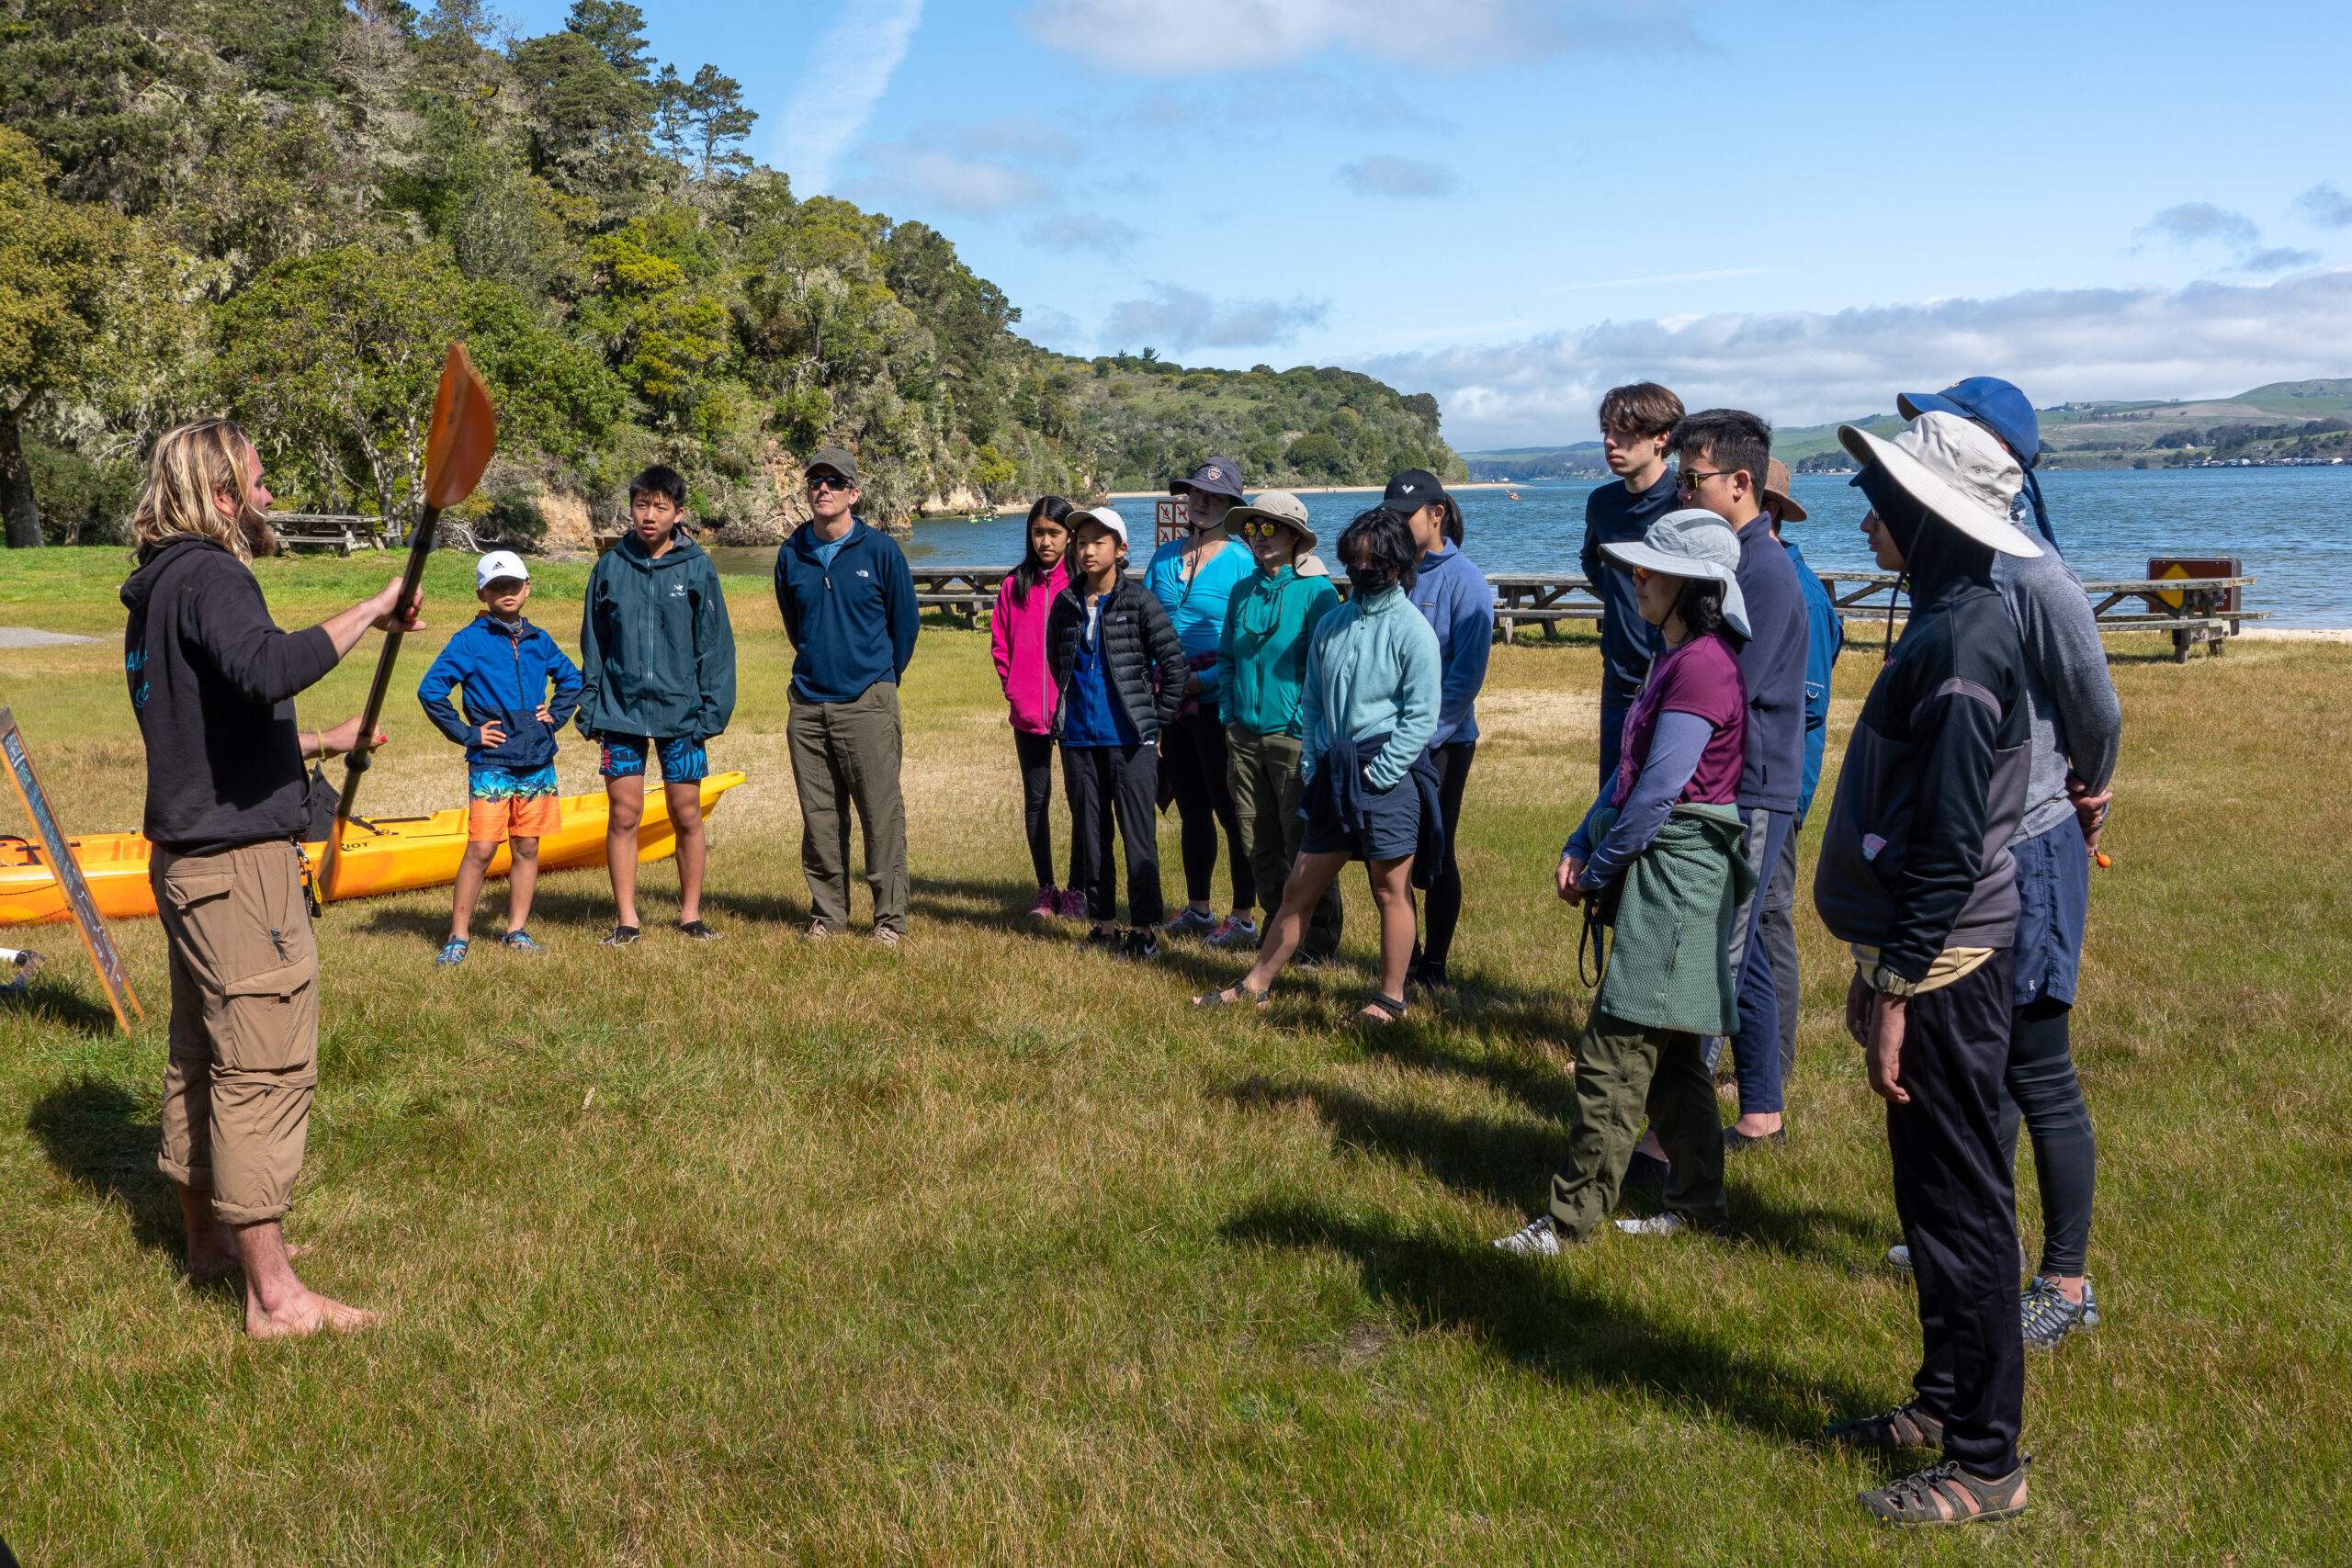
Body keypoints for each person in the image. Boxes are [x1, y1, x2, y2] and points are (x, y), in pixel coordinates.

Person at [120, 416, 414, 1337]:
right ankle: (274, 1296)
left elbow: (207, 723)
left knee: (201, 1053)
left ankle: (210, 1242)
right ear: (219, 493)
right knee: (261, 1062)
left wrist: (319, 742)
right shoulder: (213, 574)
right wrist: (372, 607)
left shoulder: (158, 587)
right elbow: (264, 668)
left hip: (187, 861)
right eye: (255, 480)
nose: (268, 495)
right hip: (236, 870)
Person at [1815, 411, 2042, 1526]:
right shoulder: (1951, 620)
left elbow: (1952, 840)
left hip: (1948, 967)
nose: (1867, 518)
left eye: (1884, 500)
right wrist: (1880, 962)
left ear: (1932, 516)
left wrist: (1902, 975)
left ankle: (1986, 1463)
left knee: (1961, 1212)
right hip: (1923, 957)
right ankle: (1944, 1399)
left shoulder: (1962, 642)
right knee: (1931, 1198)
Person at [1889, 378, 2120, 1349]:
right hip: (1973, 844)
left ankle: (2066, 1283)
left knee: (2037, 1065)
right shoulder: (1955, 561)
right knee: (1980, 1063)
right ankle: (1985, 1235)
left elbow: (2094, 701)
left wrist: (2088, 785)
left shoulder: (2032, 574)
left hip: (2029, 845)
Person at [1492, 510, 1754, 1254]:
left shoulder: (1702, 663)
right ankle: (1698, 1208)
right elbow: (1629, 776)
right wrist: (1583, 839)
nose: (1635, 579)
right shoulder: (1673, 656)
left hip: (1677, 879)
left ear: (1694, 586)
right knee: (1671, 1060)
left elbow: (1659, 793)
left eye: (1650, 569)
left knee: (1614, 1053)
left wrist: (1598, 866)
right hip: (1662, 873)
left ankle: (1569, 1223)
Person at [1192, 508, 1441, 1026]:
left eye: (1373, 561)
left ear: (1397, 564)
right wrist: (1314, 760)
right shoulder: (1333, 623)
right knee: (1298, 889)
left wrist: (1382, 772)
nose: (1362, 570)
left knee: (1389, 890)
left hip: (1388, 772)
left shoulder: (1413, 630)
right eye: (1355, 560)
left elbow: (1421, 718)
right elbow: (1314, 700)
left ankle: (1389, 1000)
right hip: (1333, 767)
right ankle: (1255, 985)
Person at [1667, 409, 1806, 1152]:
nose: (1682, 493)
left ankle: (1672, 1138)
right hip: (1734, 782)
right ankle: (1762, 1113)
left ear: (1741, 481)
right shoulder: (1735, 561)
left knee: (1714, 954)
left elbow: (1727, 690)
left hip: (1750, 786)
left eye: (1692, 480)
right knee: (1743, 955)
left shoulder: (1764, 570)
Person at [579, 464, 736, 946]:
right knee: (624, 815)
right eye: (641, 505)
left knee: (686, 814)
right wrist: (590, 705)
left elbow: (715, 645)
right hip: (620, 711)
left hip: (681, 713)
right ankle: (627, 920)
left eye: (660, 507)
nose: (649, 516)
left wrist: (711, 712)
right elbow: (594, 643)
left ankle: (690, 915)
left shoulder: (698, 567)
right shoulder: (610, 567)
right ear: (630, 509)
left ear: (678, 514)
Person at [775, 447, 919, 946]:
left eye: (834, 482)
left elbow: (905, 626)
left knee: (880, 814)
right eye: (816, 481)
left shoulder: (880, 551)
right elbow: (796, 625)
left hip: (867, 701)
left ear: (853, 493)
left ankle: (889, 921)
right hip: (808, 704)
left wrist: (878, 679)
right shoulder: (791, 553)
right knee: (819, 817)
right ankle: (829, 916)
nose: (823, 489)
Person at [416, 549, 583, 964]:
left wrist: (556, 715)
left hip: (538, 760)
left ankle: (516, 930)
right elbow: (431, 691)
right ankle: (458, 936)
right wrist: (468, 734)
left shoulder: (540, 640)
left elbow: (572, 679)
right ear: (482, 593)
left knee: (527, 847)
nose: (506, 592)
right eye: (496, 586)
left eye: (513, 584)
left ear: (527, 588)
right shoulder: (469, 641)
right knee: (482, 849)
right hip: (492, 764)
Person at [1046, 507, 1187, 961]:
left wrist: (1155, 721)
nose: (1087, 550)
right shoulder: (1065, 604)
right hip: (1078, 741)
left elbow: (1175, 668)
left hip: (1130, 742)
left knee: (1138, 837)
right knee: (1091, 837)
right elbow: (1057, 661)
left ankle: (1143, 932)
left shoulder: (1140, 601)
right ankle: (1103, 926)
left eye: (1099, 541)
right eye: (1081, 541)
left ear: (1121, 549)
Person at [1215, 490, 1342, 963]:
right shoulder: (1241, 591)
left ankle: (1319, 942)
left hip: (1294, 739)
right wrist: (1229, 717)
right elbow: (1227, 659)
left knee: (1303, 843)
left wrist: (1302, 728)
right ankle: (1276, 931)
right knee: (1257, 843)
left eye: (1268, 527)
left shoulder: (1318, 592)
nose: (1258, 536)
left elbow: (1327, 669)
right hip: (1244, 738)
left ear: (1294, 537)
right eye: (1251, 528)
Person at [1385, 468, 1493, 991]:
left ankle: (1435, 966)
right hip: (1389, 740)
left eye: (1406, 516)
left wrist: (1421, 739)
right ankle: (1406, 962)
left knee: (1438, 848)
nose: (1398, 525)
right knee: (1393, 853)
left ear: (1437, 514)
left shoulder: (1466, 580)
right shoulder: (1389, 572)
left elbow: (1465, 677)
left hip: (1445, 742)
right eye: (1390, 516)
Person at [1146, 457, 1260, 944]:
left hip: (1217, 703)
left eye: (1214, 496)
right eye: (1195, 493)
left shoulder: (1243, 562)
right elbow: (1143, 625)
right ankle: (1198, 909)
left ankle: (1243, 916)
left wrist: (1202, 682)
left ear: (1232, 506)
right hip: (1169, 701)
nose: (1200, 501)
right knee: (1191, 807)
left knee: (1231, 811)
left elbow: (1247, 643)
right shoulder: (1163, 558)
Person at [1758, 460, 1844, 1089]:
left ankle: (1771, 1069)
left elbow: (1806, 707)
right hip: (1747, 784)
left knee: (1767, 920)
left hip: (1777, 789)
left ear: (1766, 509)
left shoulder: (1801, 593)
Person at [1582, 382, 1684, 784]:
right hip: (1620, 680)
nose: (1610, 441)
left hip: (1678, 676)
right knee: (1612, 798)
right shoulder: (1601, 503)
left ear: (1662, 438)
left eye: (1624, 432)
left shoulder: (1685, 500)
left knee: (1667, 798)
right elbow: (1592, 560)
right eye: (1607, 430)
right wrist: (1622, 596)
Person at [991, 495, 1080, 919]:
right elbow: (1000, 644)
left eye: (1054, 533)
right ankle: (1046, 889)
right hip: (1028, 713)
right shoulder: (1015, 585)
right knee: (1036, 801)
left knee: (1082, 801)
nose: (1045, 541)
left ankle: (1078, 889)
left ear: (1069, 536)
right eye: (1038, 532)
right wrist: (1014, 688)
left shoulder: (1080, 584)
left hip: (1076, 712)